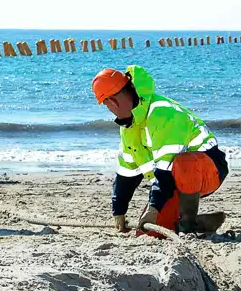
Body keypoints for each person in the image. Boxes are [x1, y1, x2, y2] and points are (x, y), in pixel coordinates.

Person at [91, 65, 228, 236]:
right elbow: (127, 171)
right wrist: (119, 210)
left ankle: (188, 224)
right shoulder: (129, 127)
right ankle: (199, 223)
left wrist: (154, 209)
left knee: (183, 163)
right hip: (173, 182)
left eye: (106, 105)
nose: (109, 110)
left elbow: (167, 167)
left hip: (207, 170)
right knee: (147, 233)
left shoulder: (162, 113)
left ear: (112, 101)